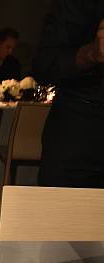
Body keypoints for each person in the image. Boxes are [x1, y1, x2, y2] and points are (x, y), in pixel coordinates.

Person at [34, 1, 104, 188]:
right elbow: (45, 65)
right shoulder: (74, 7)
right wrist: (92, 53)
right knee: (61, 213)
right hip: (80, 129)